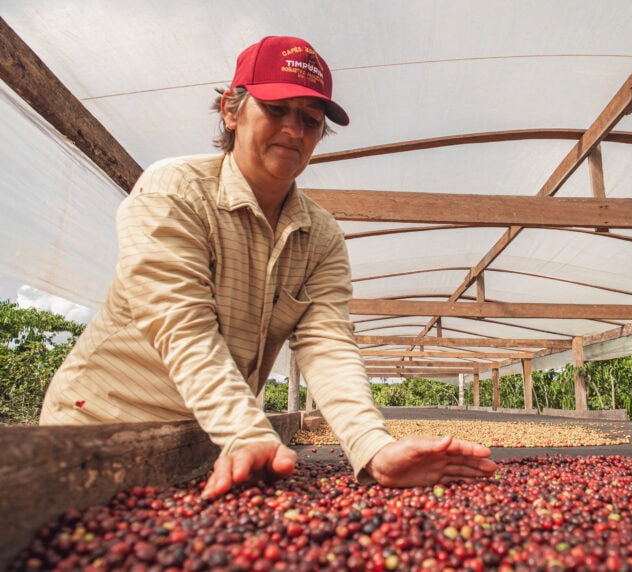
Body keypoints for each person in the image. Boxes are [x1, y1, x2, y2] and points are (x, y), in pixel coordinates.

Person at [40, 36, 497, 497]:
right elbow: (180, 322)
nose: (294, 131)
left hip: (205, 442)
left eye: (310, 120)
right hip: (98, 428)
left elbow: (328, 345)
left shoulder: (321, 237)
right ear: (231, 111)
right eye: (277, 109)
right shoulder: (175, 190)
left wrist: (372, 447)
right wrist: (246, 431)